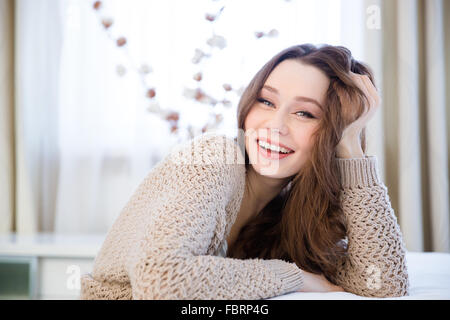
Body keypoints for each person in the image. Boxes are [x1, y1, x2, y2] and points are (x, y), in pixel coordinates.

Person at [80, 44, 410, 300]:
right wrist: (292, 276)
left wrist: (351, 146)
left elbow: (382, 282)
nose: (275, 126)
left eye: (305, 113)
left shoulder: (292, 210)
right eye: (266, 102)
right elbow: (160, 281)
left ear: (332, 132)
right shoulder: (213, 156)